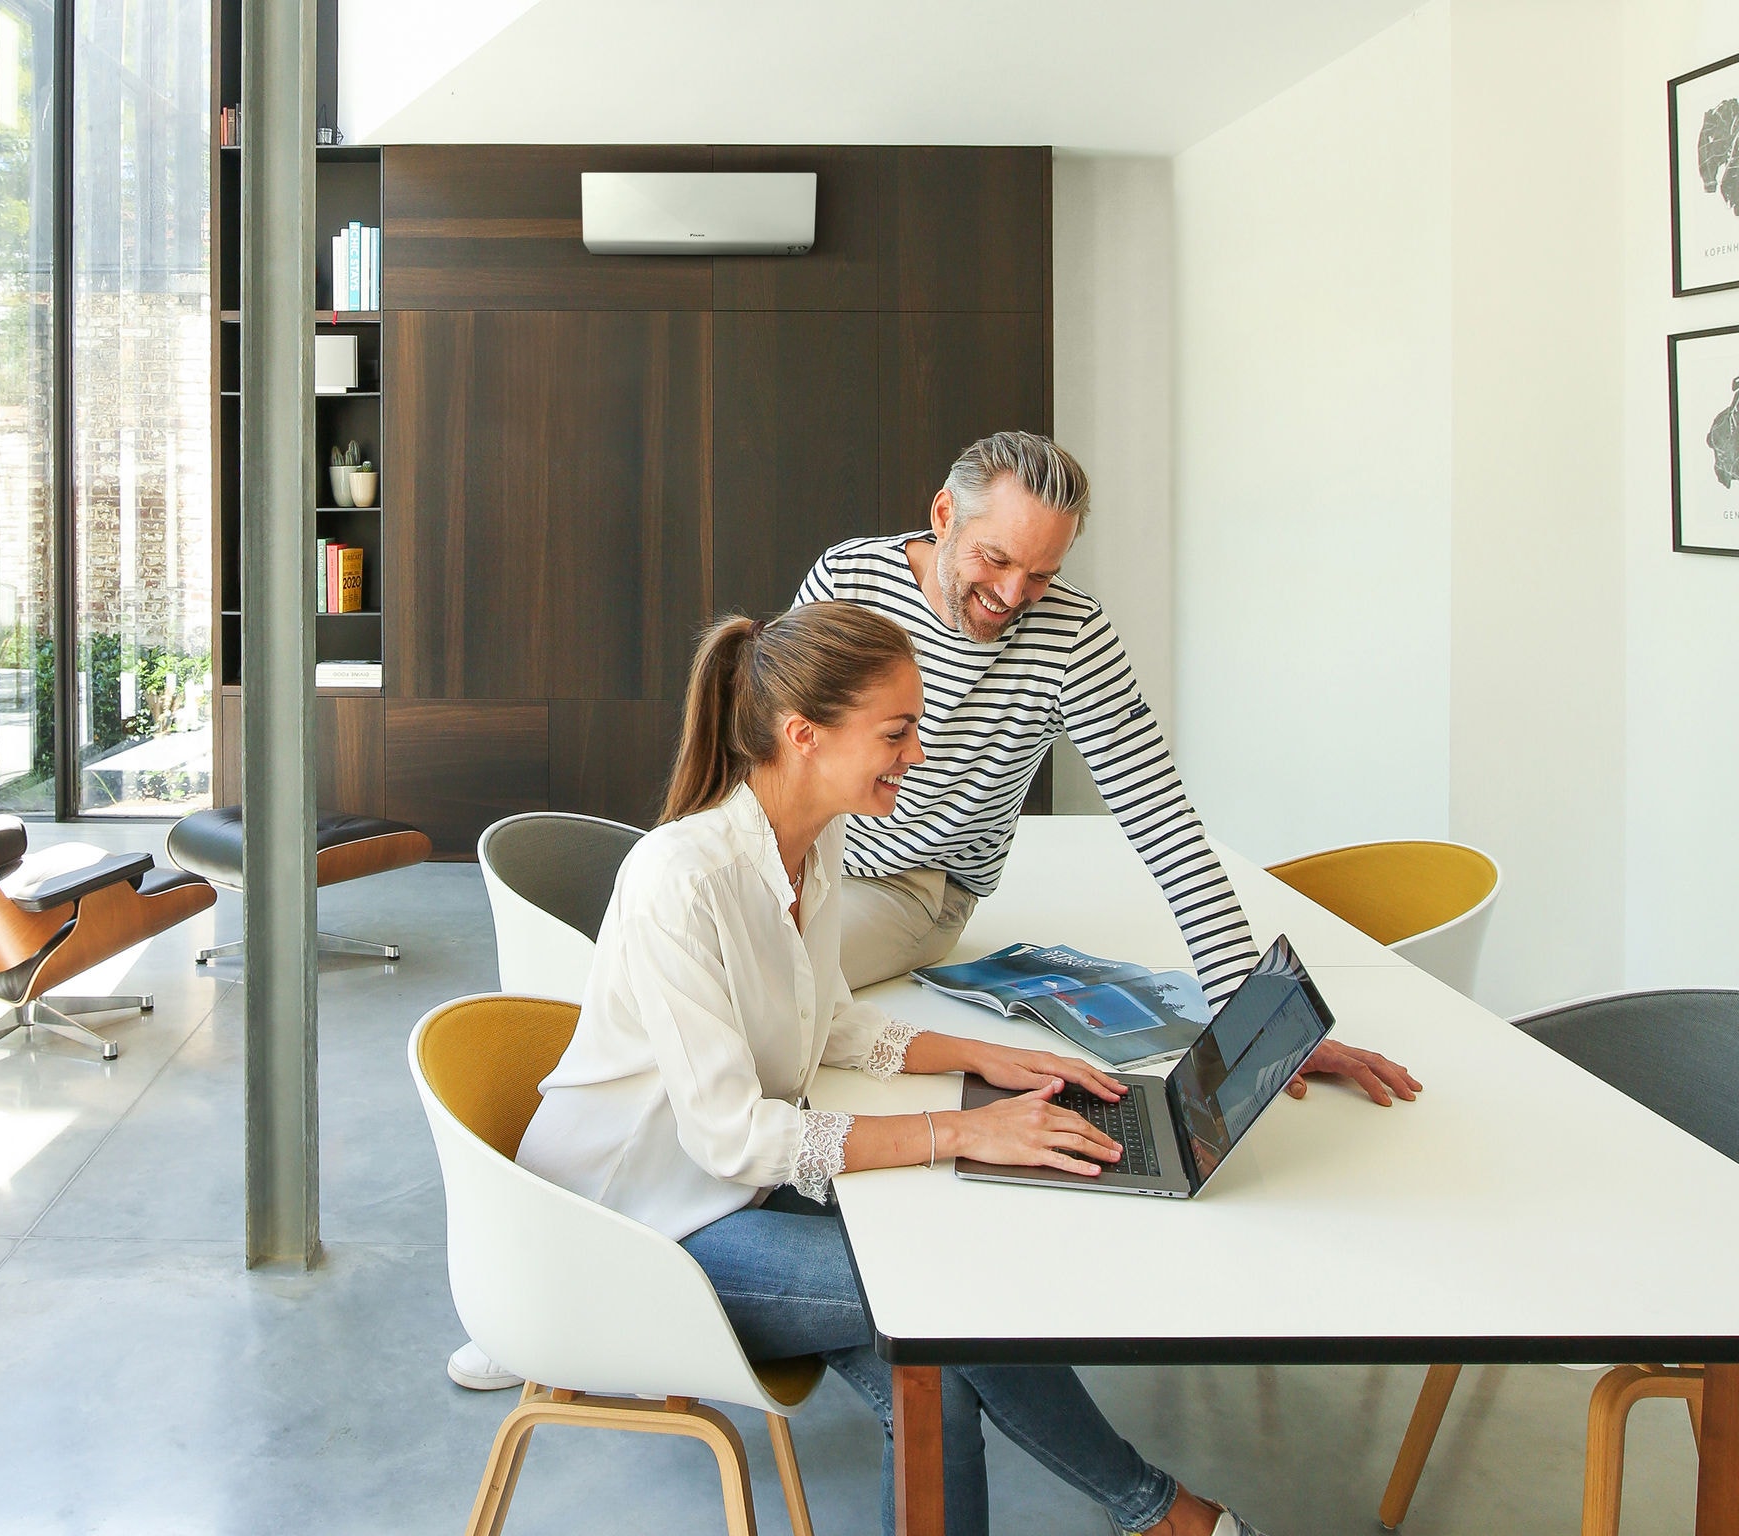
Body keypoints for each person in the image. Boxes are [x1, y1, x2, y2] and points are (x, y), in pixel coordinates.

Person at [514, 602, 1271, 1536]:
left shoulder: (811, 842)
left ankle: (1157, 1514)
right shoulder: (684, 880)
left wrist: (990, 1056)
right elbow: (734, 1135)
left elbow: (825, 1018)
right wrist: (958, 1128)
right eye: (898, 731)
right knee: (954, 1296)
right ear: (804, 736)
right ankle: (1161, 1513)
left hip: (723, 1189)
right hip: (634, 1226)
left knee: (941, 1378)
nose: (917, 754)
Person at [798, 430, 1419, 1107]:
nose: (1010, 595)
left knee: (768, 978)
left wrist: (1257, 1015)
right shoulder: (849, 577)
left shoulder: (1072, 637)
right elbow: (778, 739)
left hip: (912, 886)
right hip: (804, 849)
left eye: (1041, 574)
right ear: (944, 515)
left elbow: (1164, 820)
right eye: (995, 558)